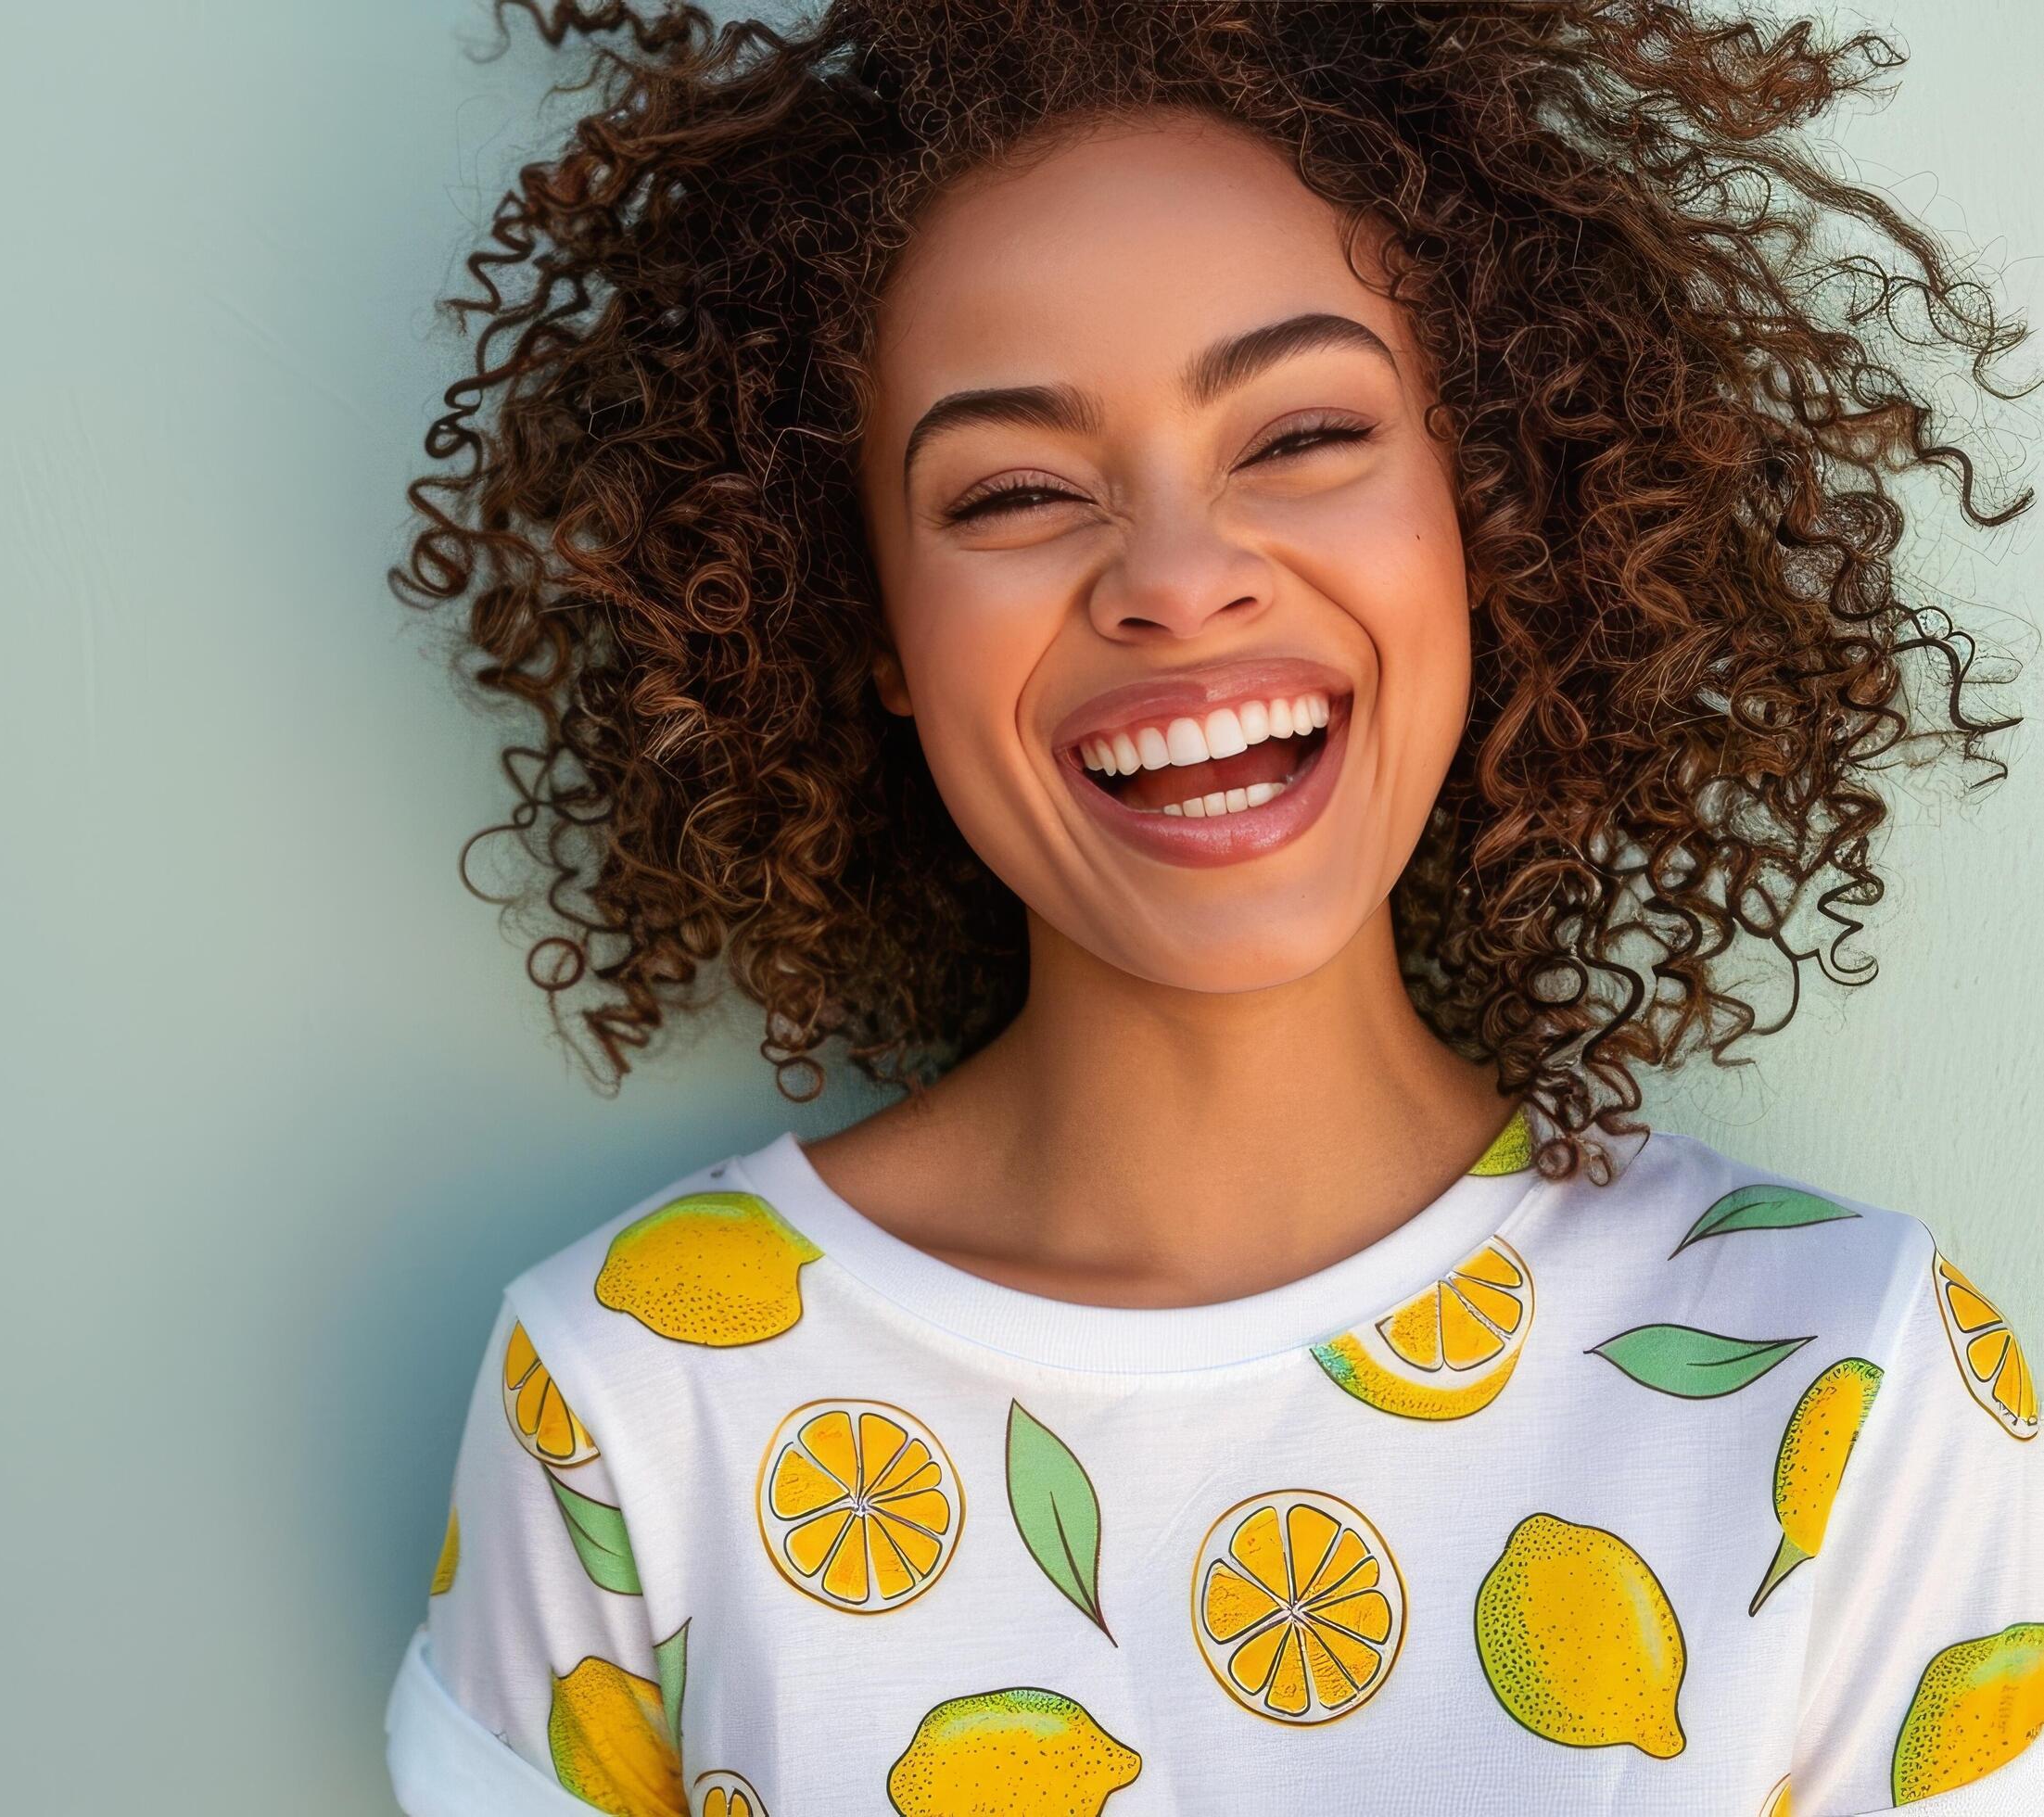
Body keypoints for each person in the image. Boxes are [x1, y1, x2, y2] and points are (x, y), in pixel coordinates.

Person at [382, 3, 2044, 1811]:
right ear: (863, 616)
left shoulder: (1854, 1383)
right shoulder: (630, 1402)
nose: (1176, 578)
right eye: (1012, 488)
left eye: (1304, 432)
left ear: (1479, 510)